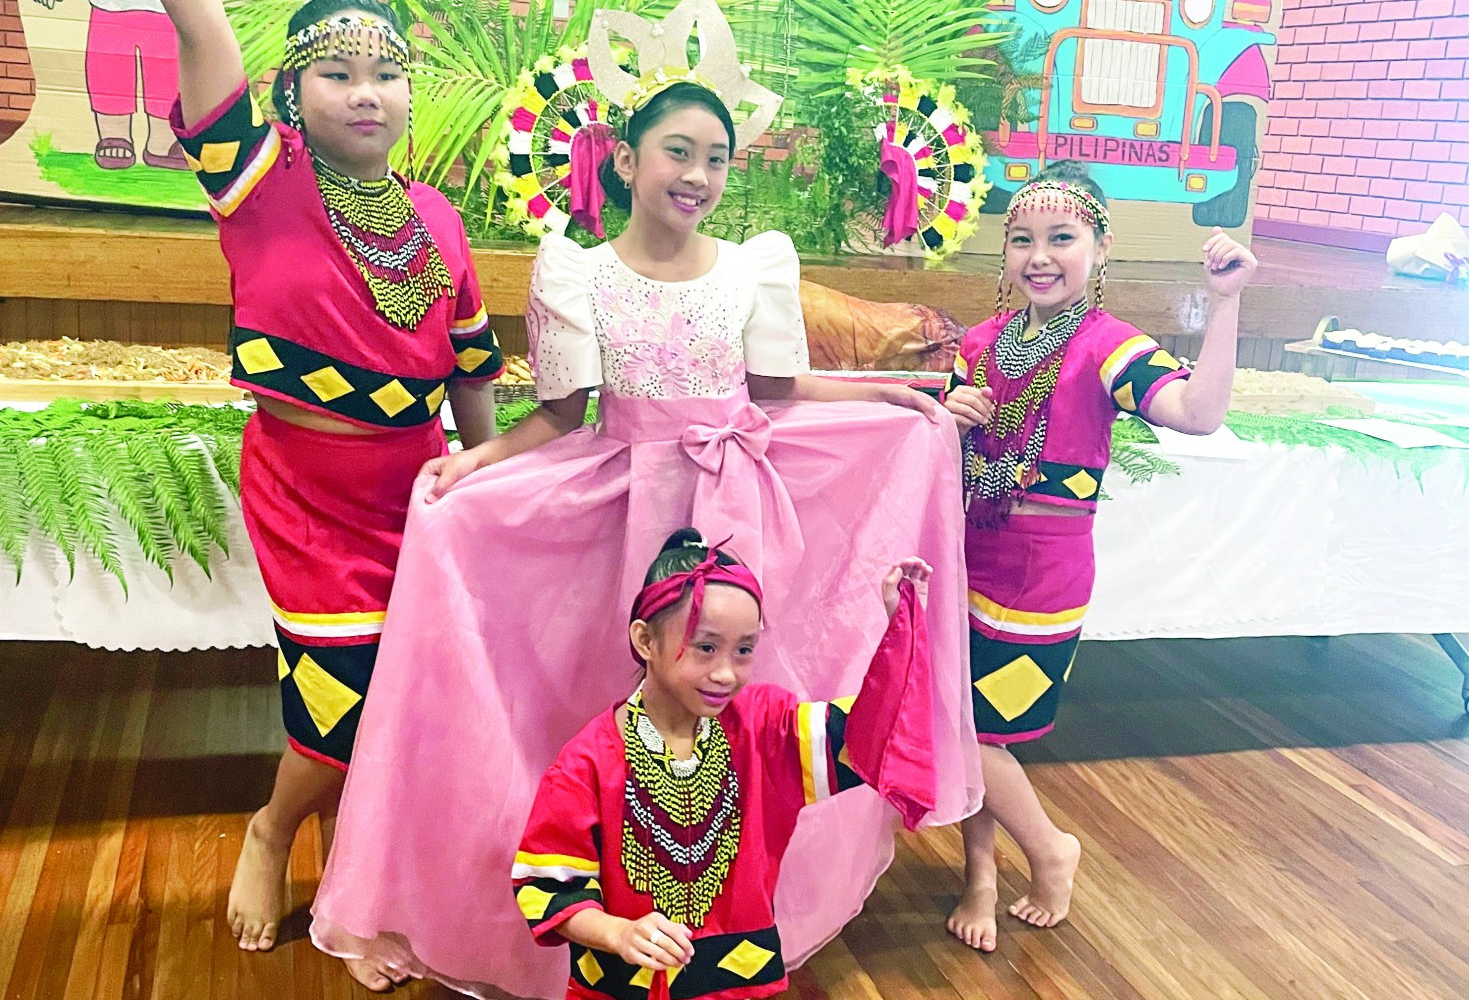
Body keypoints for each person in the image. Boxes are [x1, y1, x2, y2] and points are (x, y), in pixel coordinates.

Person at [311, 63, 979, 999]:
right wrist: (475, 463)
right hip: (621, 506)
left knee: (731, 694)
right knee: (603, 694)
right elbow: (561, 415)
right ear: (625, 159)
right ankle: (596, 902)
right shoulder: (580, 272)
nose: (698, 174)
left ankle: (725, 905)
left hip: (736, 502)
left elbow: (776, 392)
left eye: (717, 157)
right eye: (678, 151)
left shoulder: (752, 267)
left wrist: (894, 395)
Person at [159, 0, 501, 974]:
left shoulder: (436, 218)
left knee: (407, 698)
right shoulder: (258, 178)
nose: (365, 93)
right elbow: (203, 37)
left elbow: (471, 367)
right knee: (340, 694)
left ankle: (360, 883)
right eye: (337, 73)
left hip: (412, 491)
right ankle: (271, 829)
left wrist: (477, 484)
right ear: (294, 93)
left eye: (384, 73)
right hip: (303, 492)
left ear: (408, 94)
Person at [940, 160, 1257, 952]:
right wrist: (946, 418)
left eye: (1062, 237)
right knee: (966, 727)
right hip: (965, 559)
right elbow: (933, 458)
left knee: (981, 734)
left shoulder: (1108, 347)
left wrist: (1226, 305)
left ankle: (1050, 849)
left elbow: (1198, 412)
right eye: (1022, 239)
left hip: (1042, 577)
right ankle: (980, 874)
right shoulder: (978, 345)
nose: (1039, 255)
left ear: (1100, 248)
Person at [513, 530, 937, 999]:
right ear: (645, 640)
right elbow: (549, 886)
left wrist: (900, 628)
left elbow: (868, 736)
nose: (726, 673)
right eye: (706, 647)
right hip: (622, 987)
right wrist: (617, 933)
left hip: (738, 985)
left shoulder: (764, 729)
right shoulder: (588, 762)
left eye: (744, 650)